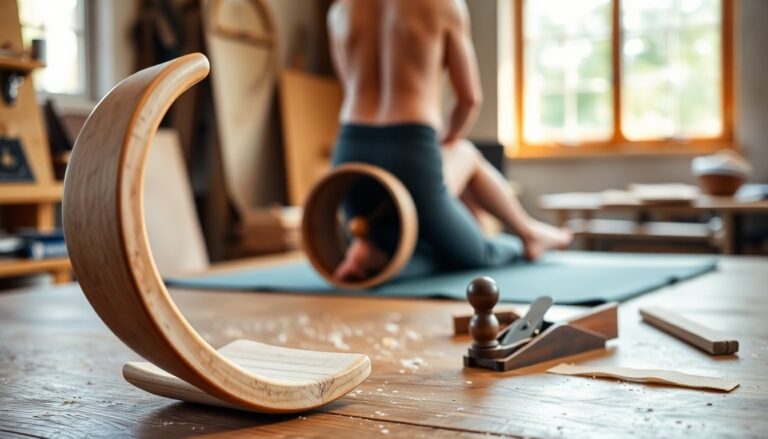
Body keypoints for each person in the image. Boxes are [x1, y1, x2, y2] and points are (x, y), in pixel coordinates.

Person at [327, 0, 572, 281]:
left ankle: (374, 251)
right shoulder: (444, 4)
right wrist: (444, 142)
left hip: (349, 155)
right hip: (411, 151)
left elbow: (348, 86)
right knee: (465, 162)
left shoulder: (340, 9)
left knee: (405, 231)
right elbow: (469, 99)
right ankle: (528, 234)